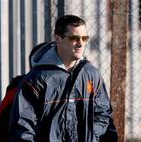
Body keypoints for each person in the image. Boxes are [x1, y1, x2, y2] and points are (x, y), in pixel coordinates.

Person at [9, 14, 117, 142]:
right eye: (74, 38)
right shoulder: (37, 79)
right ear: (58, 38)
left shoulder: (92, 74)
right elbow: (22, 126)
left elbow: (103, 114)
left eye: (84, 38)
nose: (80, 44)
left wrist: (91, 137)